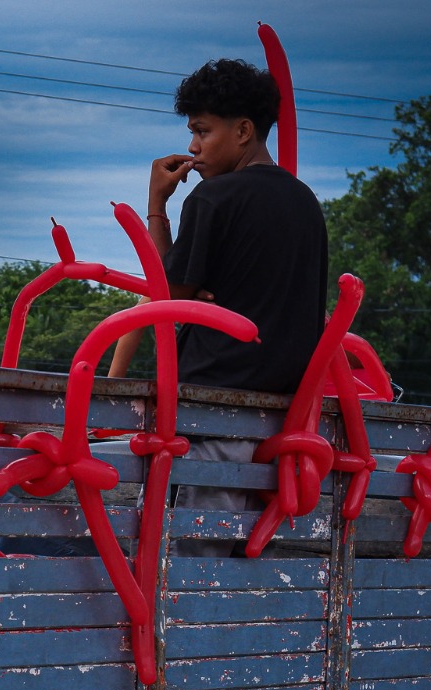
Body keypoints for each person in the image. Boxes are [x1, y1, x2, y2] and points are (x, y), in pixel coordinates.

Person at [116, 58, 329, 553]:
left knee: (194, 574)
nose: (192, 147)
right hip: (287, 428)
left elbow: (163, 302)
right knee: (245, 576)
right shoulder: (305, 202)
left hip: (213, 414)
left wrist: (156, 205)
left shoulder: (214, 198)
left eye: (202, 131)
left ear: (244, 131)